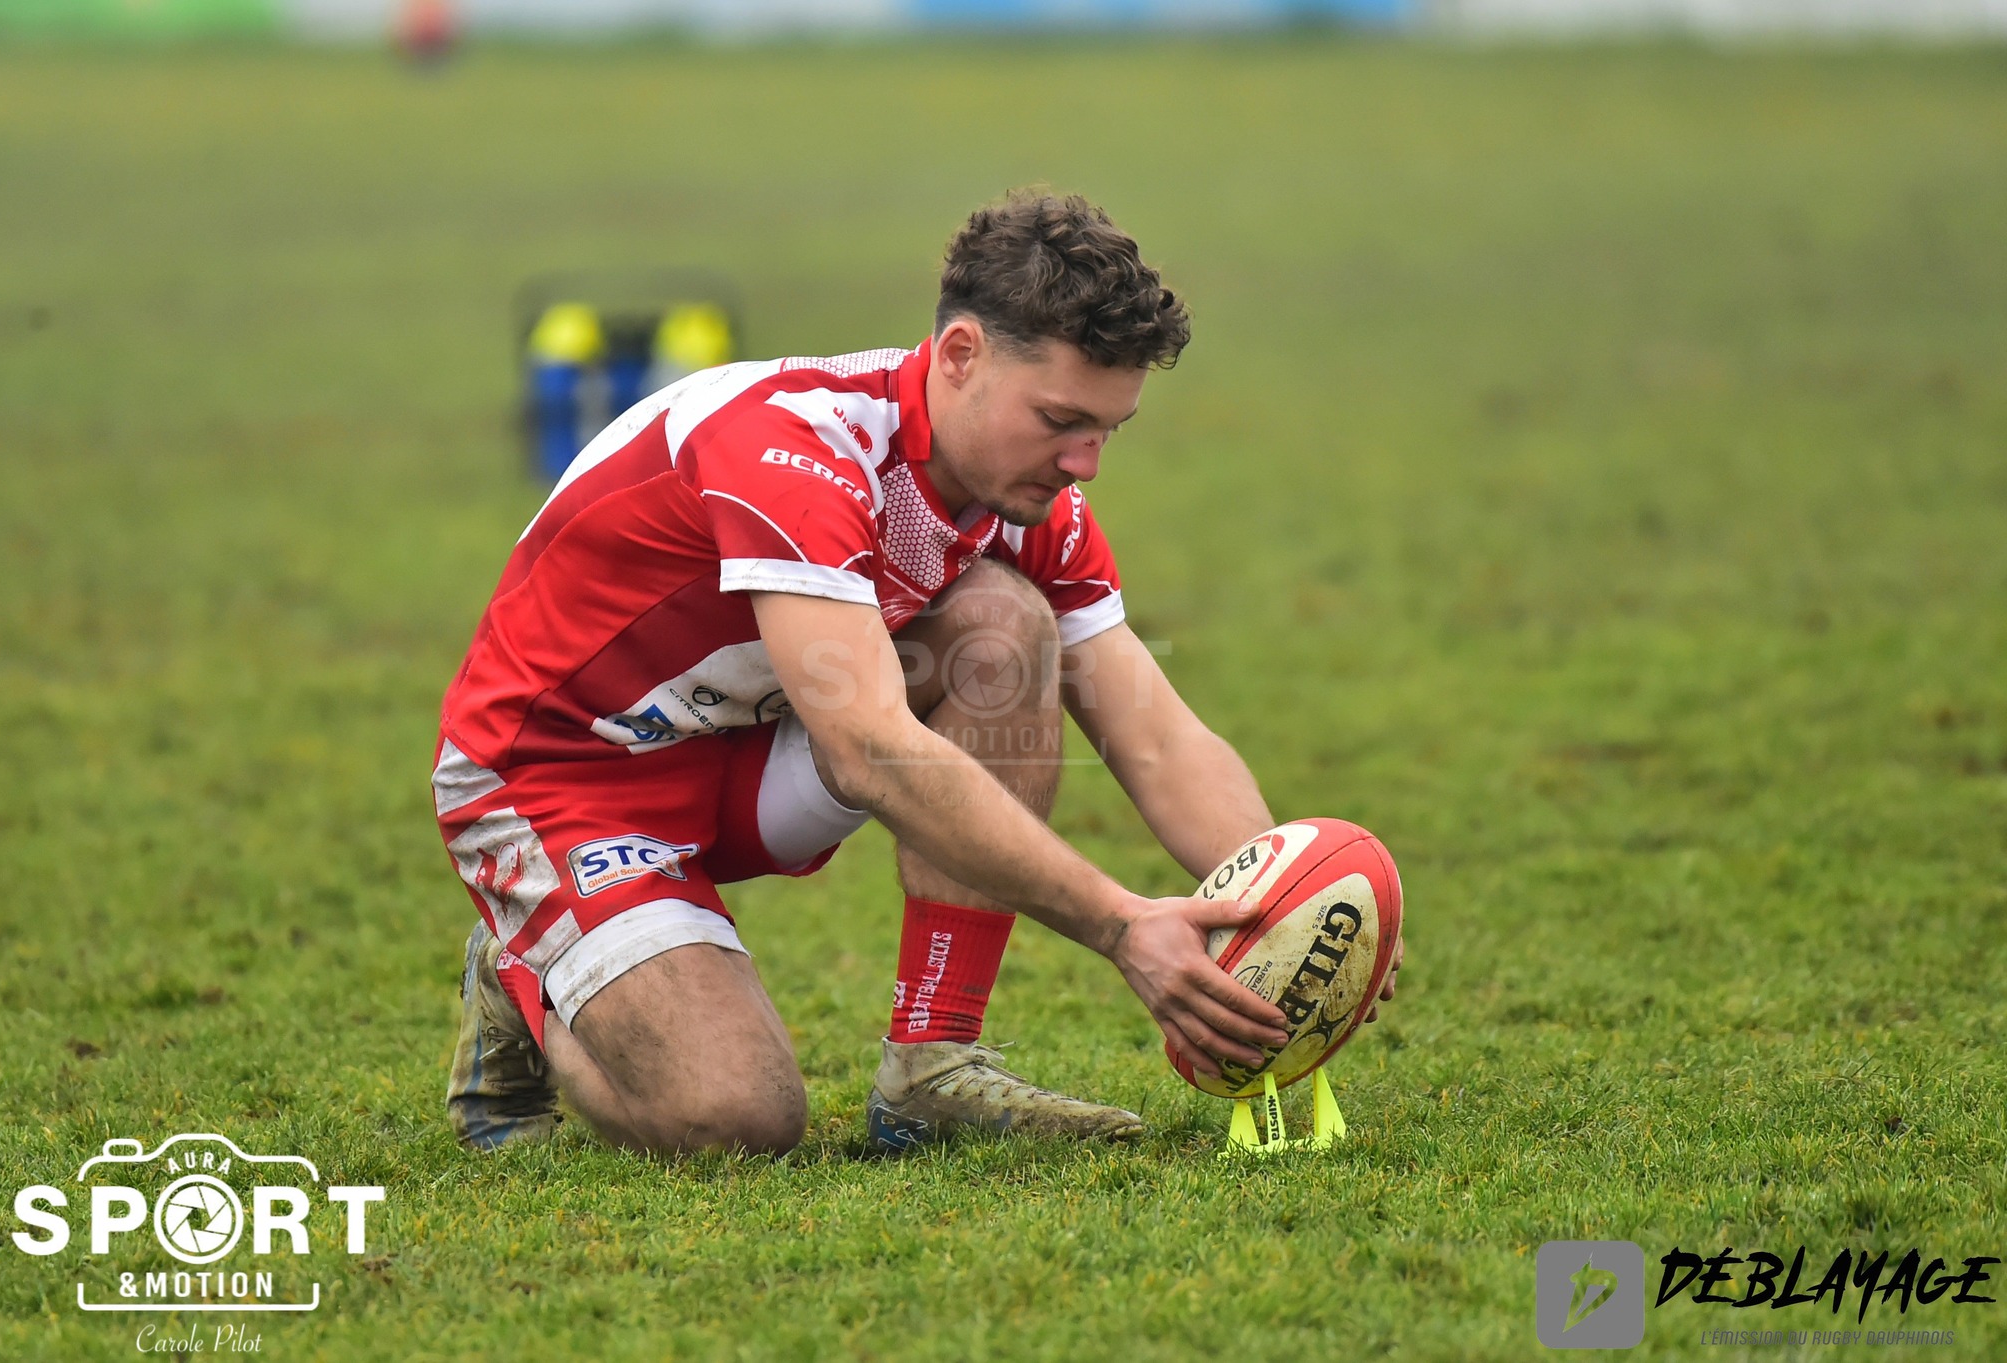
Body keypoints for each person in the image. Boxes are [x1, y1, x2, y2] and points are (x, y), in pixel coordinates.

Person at [435, 191, 1401, 1156]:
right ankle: (525, 969)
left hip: (745, 747)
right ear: (960, 354)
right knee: (736, 1119)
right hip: (557, 778)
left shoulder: (1022, 501)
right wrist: (1119, 925)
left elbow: (1154, 734)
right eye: (1061, 419)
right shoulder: (794, 450)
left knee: (1002, 624)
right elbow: (870, 750)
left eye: (1110, 429)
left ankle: (932, 1068)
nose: (1087, 463)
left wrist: (1283, 900)